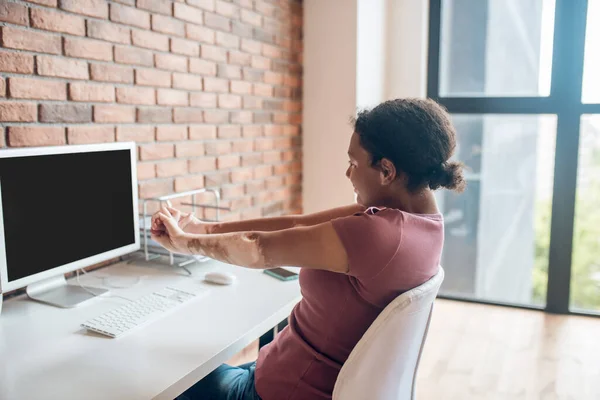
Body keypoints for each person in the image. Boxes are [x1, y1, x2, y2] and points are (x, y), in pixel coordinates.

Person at [151, 98, 466, 400]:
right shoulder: (422, 225)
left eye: (353, 163)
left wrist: (186, 243)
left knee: (158, 368)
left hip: (278, 392)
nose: (348, 173)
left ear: (387, 171)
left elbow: (257, 248)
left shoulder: (379, 235)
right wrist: (203, 228)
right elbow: (294, 224)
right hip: (286, 376)